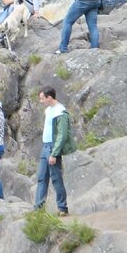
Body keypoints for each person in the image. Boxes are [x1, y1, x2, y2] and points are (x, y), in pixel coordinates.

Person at [34, 86, 71, 217]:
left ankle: (62, 207)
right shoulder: (48, 110)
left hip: (52, 147)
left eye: (42, 98)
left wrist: (55, 153)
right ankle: (38, 208)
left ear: (49, 97)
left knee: (56, 178)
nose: (41, 101)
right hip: (45, 146)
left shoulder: (60, 112)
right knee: (42, 177)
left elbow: (62, 135)